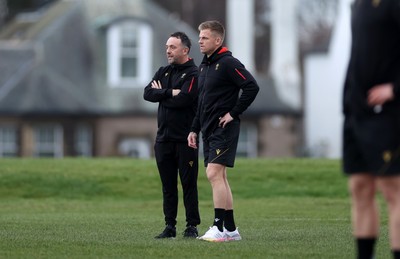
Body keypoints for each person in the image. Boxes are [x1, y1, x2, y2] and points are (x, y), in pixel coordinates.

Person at [187, 20, 259, 242]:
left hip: (224, 128)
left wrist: (234, 113)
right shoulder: (204, 66)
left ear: (218, 40)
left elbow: (251, 86)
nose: (200, 41)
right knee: (221, 176)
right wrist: (194, 129)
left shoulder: (228, 63)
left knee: (213, 174)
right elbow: (202, 102)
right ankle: (230, 229)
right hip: (208, 130)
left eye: (205, 38)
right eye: (199, 37)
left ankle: (218, 227)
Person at [342, 0, 400, 258]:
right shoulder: (358, 5)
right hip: (356, 113)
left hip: (388, 114)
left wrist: (394, 88)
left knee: (393, 189)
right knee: (360, 187)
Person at [144, 32, 200, 239]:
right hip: (163, 140)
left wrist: (163, 94)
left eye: (173, 47)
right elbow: (147, 93)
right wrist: (170, 92)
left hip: (186, 140)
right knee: (168, 186)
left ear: (185, 50)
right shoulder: (163, 71)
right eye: (167, 46)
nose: (168, 50)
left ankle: (192, 226)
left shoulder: (194, 74)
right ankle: (170, 226)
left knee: (188, 185)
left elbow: (184, 99)